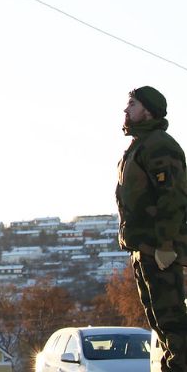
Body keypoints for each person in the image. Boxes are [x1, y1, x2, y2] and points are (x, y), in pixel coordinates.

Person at [116, 86, 187, 372]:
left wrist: (165, 245)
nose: (125, 110)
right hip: (143, 248)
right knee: (160, 322)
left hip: (159, 249)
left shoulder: (159, 144)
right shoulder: (139, 147)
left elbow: (173, 196)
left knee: (172, 323)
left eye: (132, 104)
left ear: (148, 110)